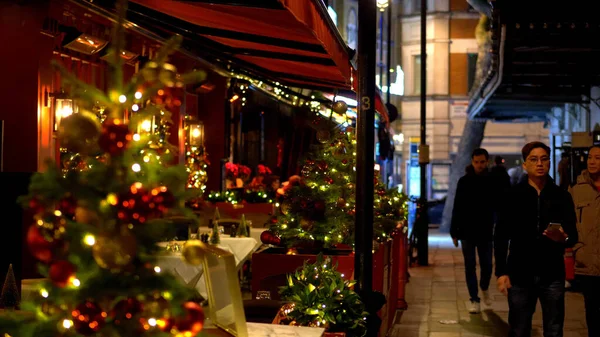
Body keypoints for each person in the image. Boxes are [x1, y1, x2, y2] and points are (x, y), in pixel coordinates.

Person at [495, 141, 578, 337]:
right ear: (525, 164)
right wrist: (501, 272)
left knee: (554, 329)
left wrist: (562, 237)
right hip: (520, 272)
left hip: (552, 274)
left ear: (549, 162)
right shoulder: (513, 196)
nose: (539, 164)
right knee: (519, 329)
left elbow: (573, 235)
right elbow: (500, 236)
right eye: (533, 159)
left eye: (544, 159)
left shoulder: (561, 196)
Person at [450, 148, 495, 314]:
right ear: (472, 162)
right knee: (469, 266)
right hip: (467, 230)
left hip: (485, 230)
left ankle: (484, 287)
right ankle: (474, 299)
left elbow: (498, 205)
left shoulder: (492, 180)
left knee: (487, 265)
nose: (479, 165)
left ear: (487, 161)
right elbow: (458, 206)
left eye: (482, 162)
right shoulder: (464, 181)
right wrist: (454, 232)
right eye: (476, 162)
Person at [568, 145, 600, 337]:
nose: (592, 161)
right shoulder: (577, 190)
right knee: (592, 314)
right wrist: (577, 247)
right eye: (590, 157)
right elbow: (568, 223)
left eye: (597, 158)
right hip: (587, 263)